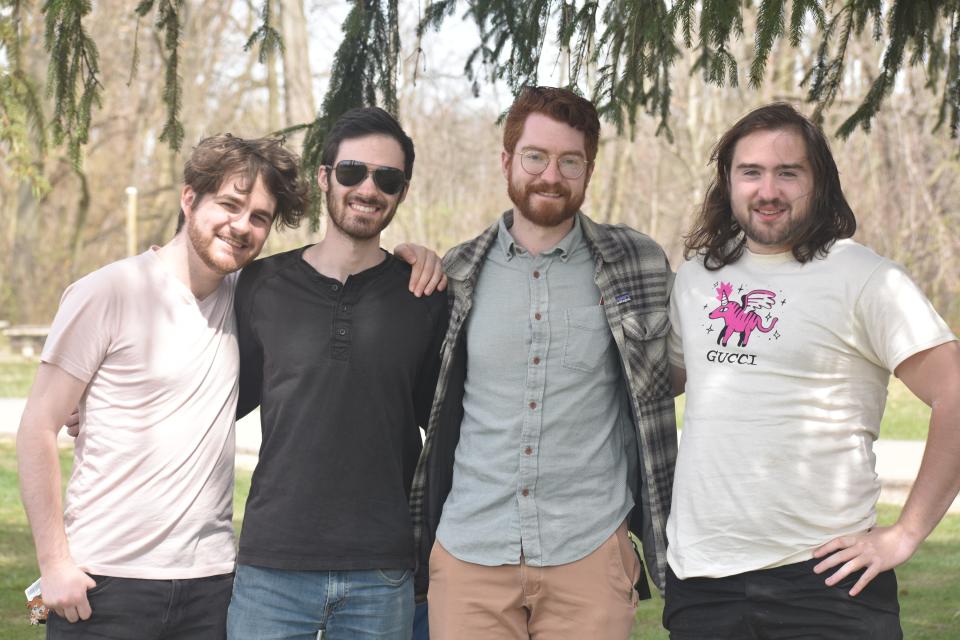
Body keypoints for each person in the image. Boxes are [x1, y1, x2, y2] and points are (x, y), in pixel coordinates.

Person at [664, 102, 960, 639]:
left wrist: (906, 534)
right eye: (750, 172)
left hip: (826, 582)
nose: (767, 190)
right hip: (701, 580)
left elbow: (955, 392)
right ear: (727, 181)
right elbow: (662, 383)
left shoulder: (866, 278)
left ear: (818, 181)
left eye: (788, 173)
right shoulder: (695, 280)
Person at [411, 86, 678, 639]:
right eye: (535, 156)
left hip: (588, 549)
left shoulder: (637, 263)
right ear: (508, 161)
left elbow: (688, 360)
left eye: (569, 161)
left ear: (588, 169)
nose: (550, 175)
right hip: (470, 553)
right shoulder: (457, 273)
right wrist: (402, 255)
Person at [17, 134, 310, 639]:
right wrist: (54, 563)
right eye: (230, 204)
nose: (242, 226)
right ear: (189, 198)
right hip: (105, 583)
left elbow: (333, 266)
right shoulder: (109, 291)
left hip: (211, 587)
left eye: (259, 217)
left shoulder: (253, 300)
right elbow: (37, 428)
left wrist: (411, 257)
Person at [226, 107, 448, 640]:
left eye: (386, 178)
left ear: (402, 191)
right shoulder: (261, 284)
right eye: (352, 172)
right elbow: (210, 393)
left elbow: (446, 425)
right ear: (325, 177)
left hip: (382, 571)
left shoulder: (424, 295)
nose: (368, 189)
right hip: (271, 568)